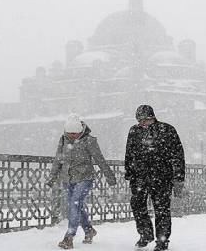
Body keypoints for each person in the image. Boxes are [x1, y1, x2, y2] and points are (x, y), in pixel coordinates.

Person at [46, 114, 117, 249]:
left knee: (75, 204)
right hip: (67, 178)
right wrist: (52, 177)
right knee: (75, 206)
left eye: (75, 133)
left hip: (85, 178)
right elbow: (58, 160)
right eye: (70, 133)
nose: (72, 136)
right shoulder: (63, 140)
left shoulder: (89, 141)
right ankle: (89, 230)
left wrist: (109, 176)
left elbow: (99, 159)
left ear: (81, 131)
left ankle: (69, 237)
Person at [125, 105, 185, 251]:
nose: (142, 123)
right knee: (138, 205)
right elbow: (129, 153)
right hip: (139, 176)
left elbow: (178, 155)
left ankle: (162, 240)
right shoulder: (134, 131)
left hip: (162, 176)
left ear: (152, 117)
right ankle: (145, 234)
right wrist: (129, 172)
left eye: (144, 120)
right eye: (139, 121)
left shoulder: (167, 130)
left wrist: (179, 177)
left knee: (162, 209)